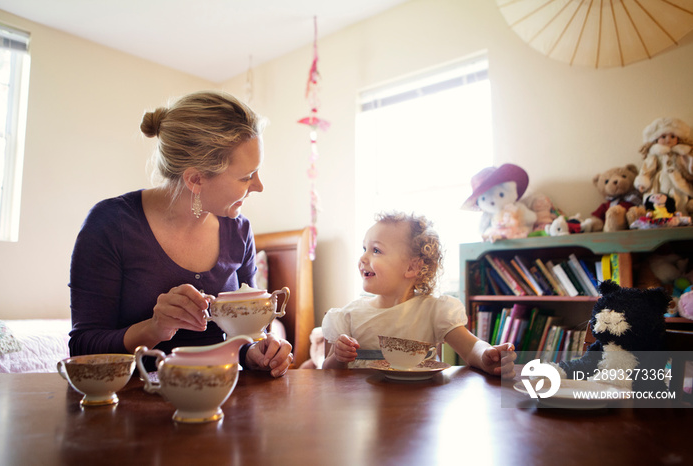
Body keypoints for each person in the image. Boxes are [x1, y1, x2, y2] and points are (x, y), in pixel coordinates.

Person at [69, 90, 292, 377]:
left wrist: (258, 353)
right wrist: (154, 328)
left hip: (220, 405)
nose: (259, 186)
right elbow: (82, 349)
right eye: (246, 176)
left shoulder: (239, 232)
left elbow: (244, 338)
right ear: (196, 179)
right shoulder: (111, 225)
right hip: (130, 407)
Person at [321, 212, 516, 377]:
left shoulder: (434, 310)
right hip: (365, 410)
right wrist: (338, 357)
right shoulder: (349, 316)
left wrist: (486, 356)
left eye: (376, 250)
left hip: (419, 406)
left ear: (412, 266)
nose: (363, 257)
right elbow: (328, 371)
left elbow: (471, 347)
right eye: (364, 249)